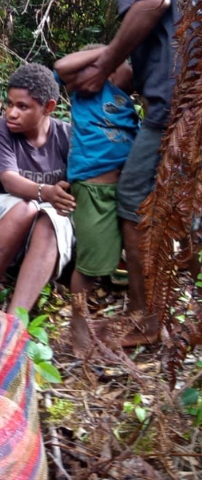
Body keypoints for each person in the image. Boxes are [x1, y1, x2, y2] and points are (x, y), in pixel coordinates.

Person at [76, 0, 196, 346]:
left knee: (134, 199)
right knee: (182, 205)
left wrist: (106, 61)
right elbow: (172, 31)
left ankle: (146, 320)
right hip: (191, 98)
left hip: (175, 103)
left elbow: (151, 4)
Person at [0, 64, 76, 313]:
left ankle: (16, 319)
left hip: (42, 218)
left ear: (49, 107)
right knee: (27, 208)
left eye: (22, 107)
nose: (11, 113)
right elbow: (9, 181)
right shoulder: (0, 130)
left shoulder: (67, 136)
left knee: (50, 221)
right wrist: (47, 192)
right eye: (9, 104)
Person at [55, 46, 138, 355]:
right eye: (126, 63)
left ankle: (136, 316)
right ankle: (78, 321)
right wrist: (113, 49)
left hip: (124, 191)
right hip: (93, 191)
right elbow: (62, 65)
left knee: (126, 257)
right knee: (88, 268)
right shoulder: (90, 88)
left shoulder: (127, 99)